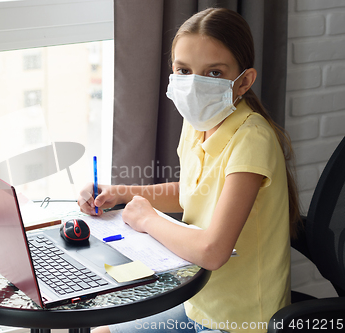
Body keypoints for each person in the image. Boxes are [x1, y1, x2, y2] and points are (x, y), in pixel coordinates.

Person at [77, 7, 300, 333]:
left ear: (244, 81)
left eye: (213, 73)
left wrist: (147, 219)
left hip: (239, 320)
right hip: (196, 300)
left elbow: (212, 252)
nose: (194, 85)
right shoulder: (199, 121)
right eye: (183, 71)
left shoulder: (252, 139)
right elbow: (192, 194)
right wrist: (121, 194)